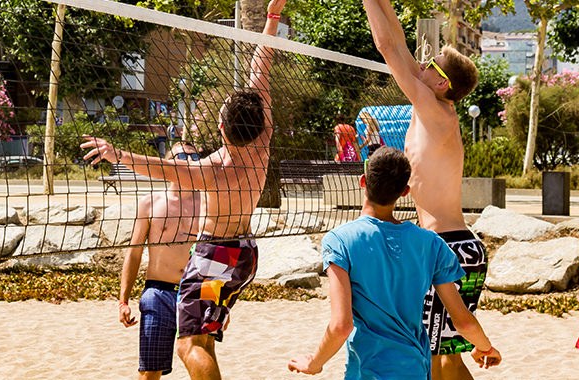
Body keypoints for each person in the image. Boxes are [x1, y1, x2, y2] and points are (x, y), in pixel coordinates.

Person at [82, 1, 283, 378]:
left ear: (222, 129)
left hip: (214, 255)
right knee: (202, 340)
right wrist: (272, 20)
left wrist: (117, 153)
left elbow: (161, 167)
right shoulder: (263, 141)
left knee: (188, 345)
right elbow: (261, 64)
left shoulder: (213, 170)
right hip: (244, 255)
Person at [287, 147, 501, 377]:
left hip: (368, 370)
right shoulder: (430, 243)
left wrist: (314, 363)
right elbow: (463, 322)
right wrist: (485, 347)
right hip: (415, 369)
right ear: (405, 191)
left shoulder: (339, 240)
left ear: (363, 181)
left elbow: (341, 326)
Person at [361, 0, 486, 378]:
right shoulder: (435, 110)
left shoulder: (433, 111)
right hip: (462, 246)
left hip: (444, 247)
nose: (420, 68)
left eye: (428, 67)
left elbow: (386, 49)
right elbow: (396, 41)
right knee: (448, 358)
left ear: (442, 82)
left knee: (427, 358)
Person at [119, 142, 203, 379]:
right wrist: (123, 301)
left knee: (200, 357)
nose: (188, 160)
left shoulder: (209, 204)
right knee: (149, 371)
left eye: (194, 156)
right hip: (158, 292)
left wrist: (220, 304)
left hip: (196, 293)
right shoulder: (150, 202)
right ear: (167, 164)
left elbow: (215, 254)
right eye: (181, 156)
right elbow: (134, 252)